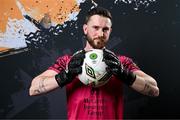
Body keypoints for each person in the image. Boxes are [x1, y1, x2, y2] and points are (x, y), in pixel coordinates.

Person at [29, 7, 159, 119]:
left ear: (110, 31)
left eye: (105, 29)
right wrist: (65, 76)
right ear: (85, 29)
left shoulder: (121, 61)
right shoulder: (68, 61)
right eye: (95, 27)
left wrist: (124, 74)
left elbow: (154, 90)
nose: (100, 34)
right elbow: (34, 89)